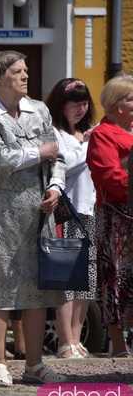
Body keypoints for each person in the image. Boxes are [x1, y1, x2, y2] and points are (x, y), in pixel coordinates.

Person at [0, 50, 67, 386]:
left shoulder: (39, 109)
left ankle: (34, 364)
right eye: (18, 72)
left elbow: (57, 157)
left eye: (25, 71)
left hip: (39, 211)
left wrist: (55, 186)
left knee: (37, 291)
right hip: (0, 213)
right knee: (2, 287)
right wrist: (39, 152)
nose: (25, 77)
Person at [45, 78, 98, 359]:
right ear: (60, 105)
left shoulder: (86, 133)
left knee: (86, 281)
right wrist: (90, 148)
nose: (80, 108)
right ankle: (65, 341)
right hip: (66, 212)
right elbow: (62, 168)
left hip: (89, 209)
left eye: (84, 102)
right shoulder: (54, 133)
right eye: (74, 103)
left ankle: (77, 339)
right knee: (66, 279)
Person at [87, 74, 133, 358]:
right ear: (118, 106)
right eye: (132, 99)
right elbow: (109, 176)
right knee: (116, 277)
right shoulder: (103, 135)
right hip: (118, 220)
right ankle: (118, 343)